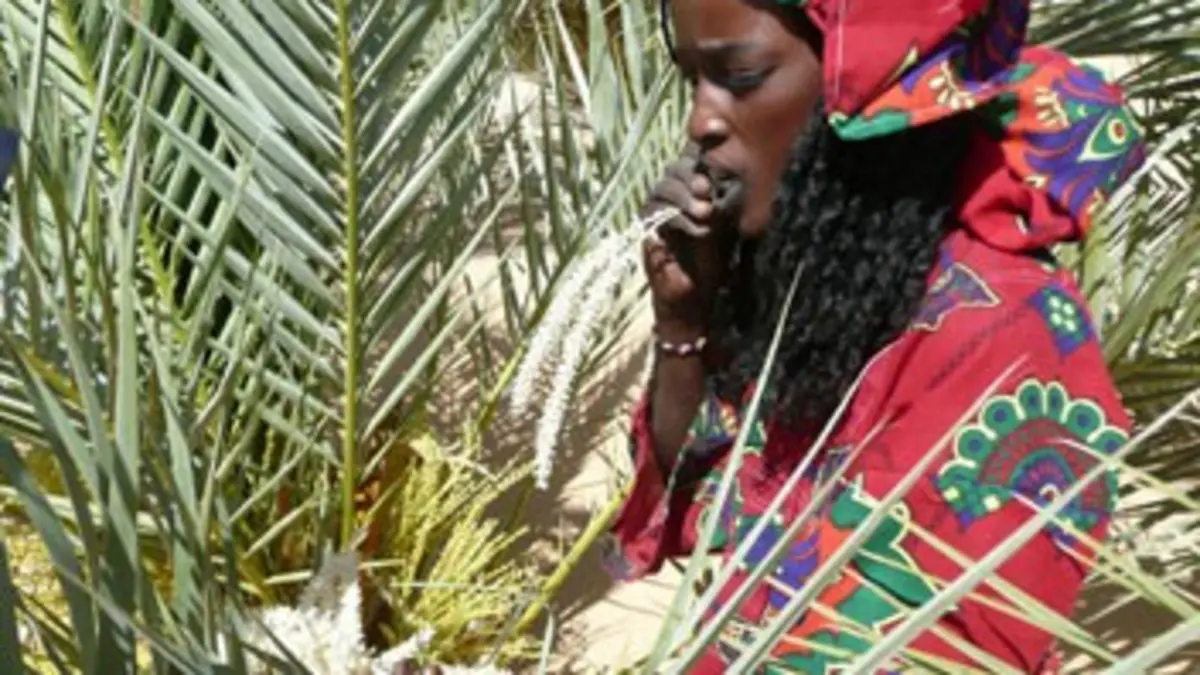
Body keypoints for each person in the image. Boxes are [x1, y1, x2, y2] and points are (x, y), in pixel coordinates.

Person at [601, 0, 1146, 672]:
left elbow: (930, 645)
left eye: (739, 76)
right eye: (694, 79)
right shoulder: (829, 287)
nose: (700, 122)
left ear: (862, 85)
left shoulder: (1006, 332)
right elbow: (704, 505)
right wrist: (684, 319)